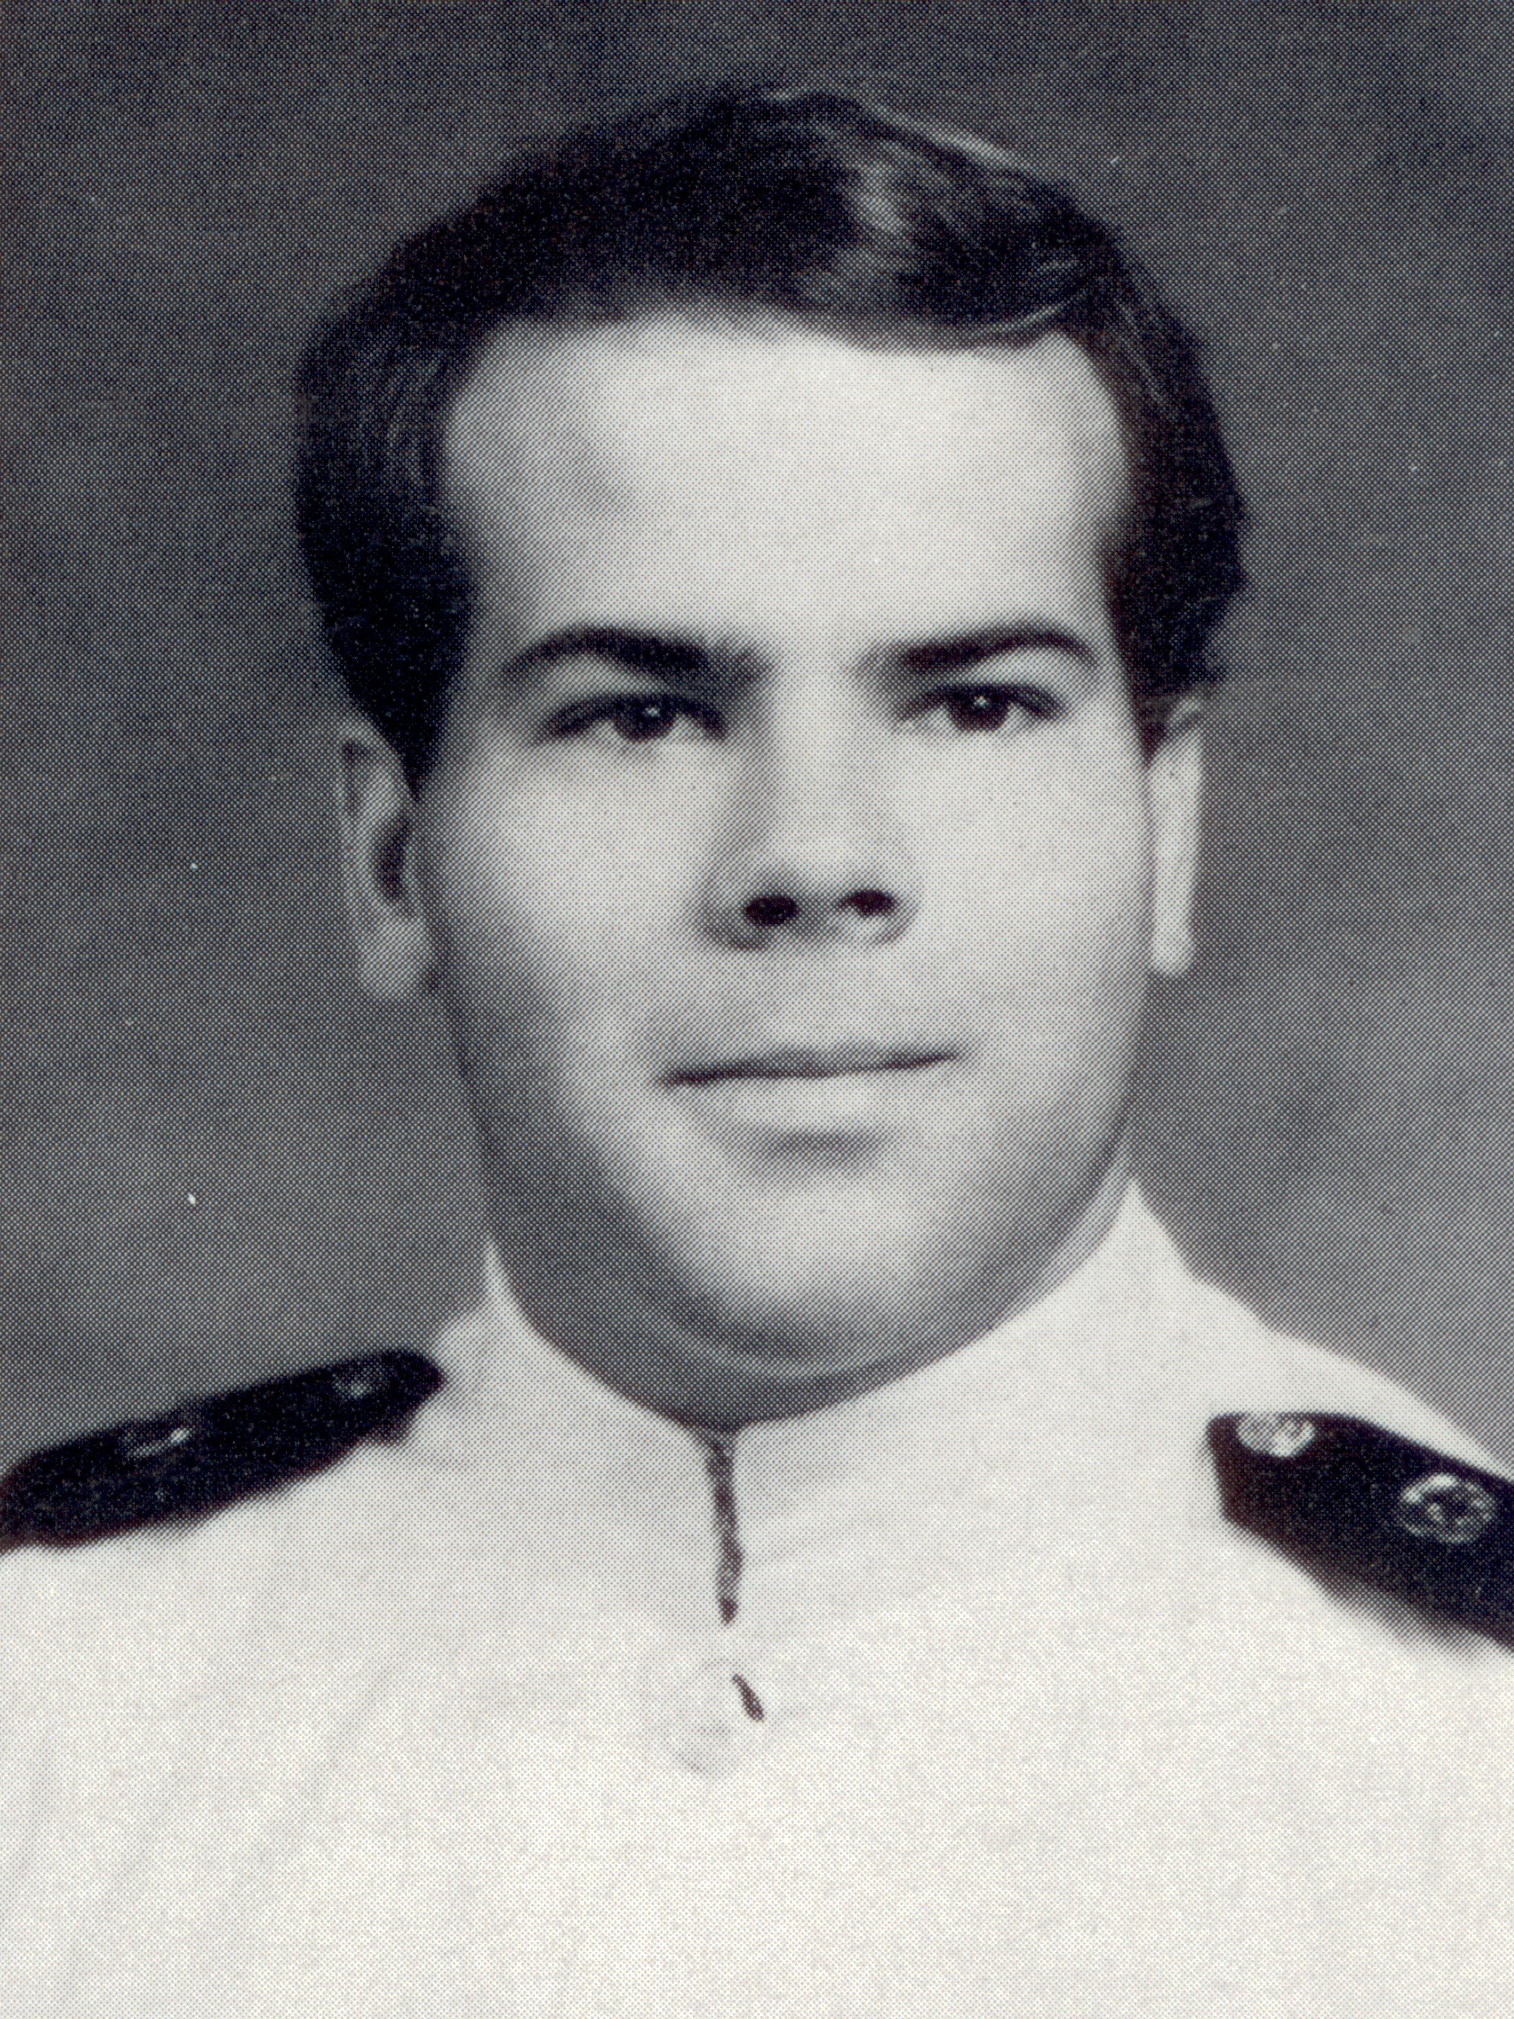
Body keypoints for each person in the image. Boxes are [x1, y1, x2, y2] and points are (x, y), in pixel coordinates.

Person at [1, 85, 1511, 2018]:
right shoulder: (60, 1716)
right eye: (639, 715)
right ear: (393, 865)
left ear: (1168, 829)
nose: (811, 857)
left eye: (972, 705)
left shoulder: (1467, 1756)